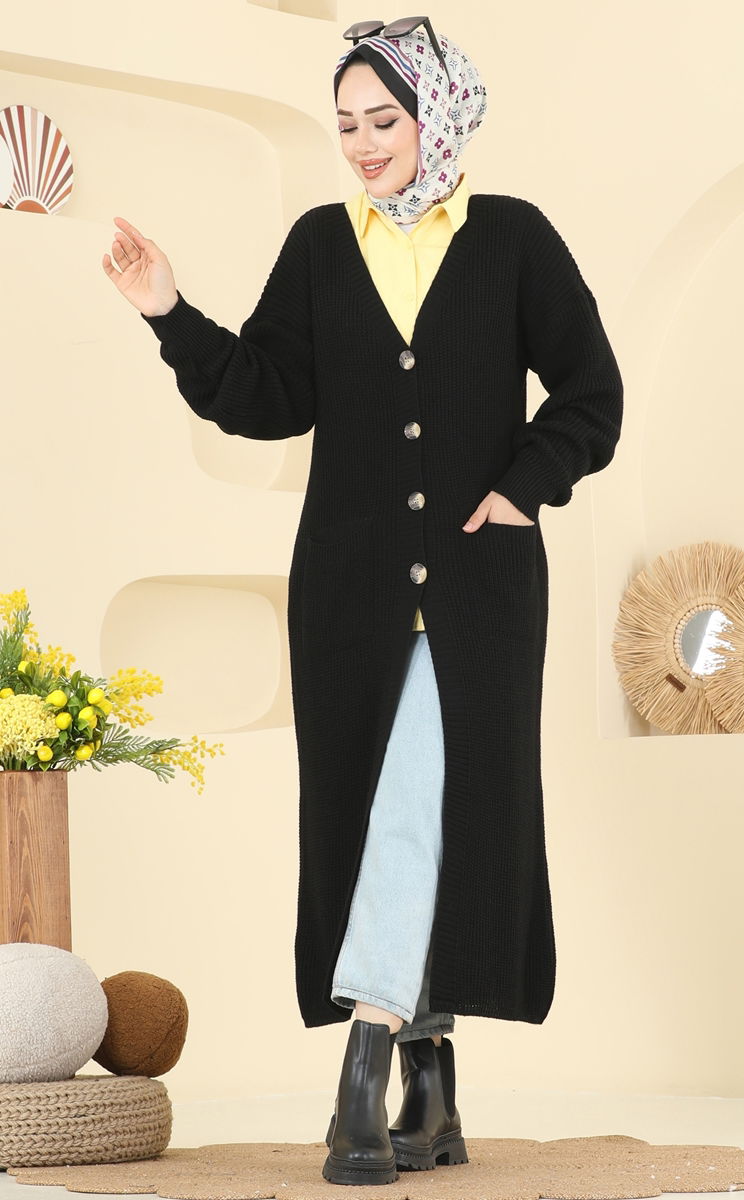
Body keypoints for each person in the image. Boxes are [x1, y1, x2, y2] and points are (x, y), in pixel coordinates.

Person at [102, 16, 624, 1189]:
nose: (362, 144)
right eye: (344, 125)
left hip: (479, 593)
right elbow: (266, 397)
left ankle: (364, 1065)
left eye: (382, 119)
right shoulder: (318, 246)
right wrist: (169, 310)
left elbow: (590, 394)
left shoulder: (513, 239)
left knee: (419, 803)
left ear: (436, 114)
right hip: (346, 595)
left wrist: (522, 485)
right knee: (386, 810)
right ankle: (431, 1092)